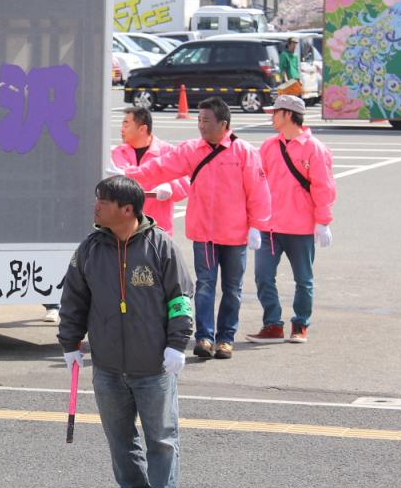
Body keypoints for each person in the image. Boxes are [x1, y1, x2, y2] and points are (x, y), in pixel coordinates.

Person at [58, 176, 193, 488]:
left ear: (127, 209)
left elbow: (181, 298)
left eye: (103, 201)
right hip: (107, 366)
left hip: (153, 365)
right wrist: (69, 342)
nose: (96, 206)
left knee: (161, 437)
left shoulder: (161, 247)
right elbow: (73, 299)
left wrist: (177, 344)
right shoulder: (89, 249)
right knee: (119, 435)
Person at [115, 97, 270, 360]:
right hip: (205, 232)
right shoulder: (191, 149)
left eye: (206, 120)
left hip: (235, 234)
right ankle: (205, 338)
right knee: (205, 285)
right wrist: (130, 174)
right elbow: (161, 167)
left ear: (223, 123)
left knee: (232, 288)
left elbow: (258, 191)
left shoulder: (244, 152)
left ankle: (226, 339)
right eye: (199, 119)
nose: (201, 125)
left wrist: (257, 226)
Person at [246, 95, 336, 345]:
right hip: (269, 227)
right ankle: (273, 325)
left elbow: (323, 187)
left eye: (275, 113)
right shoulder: (269, 146)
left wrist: (323, 221)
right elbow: (256, 183)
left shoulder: (314, 148)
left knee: (303, 280)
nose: (272, 117)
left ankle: (301, 324)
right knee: (263, 276)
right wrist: (253, 221)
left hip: (301, 227)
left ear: (288, 114)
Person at [109, 107, 190, 237]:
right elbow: (122, 178)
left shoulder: (168, 151)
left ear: (142, 129)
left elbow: (186, 182)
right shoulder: (119, 152)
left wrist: (171, 186)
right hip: (125, 230)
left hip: (158, 231)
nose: (122, 129)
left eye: (126, 124)